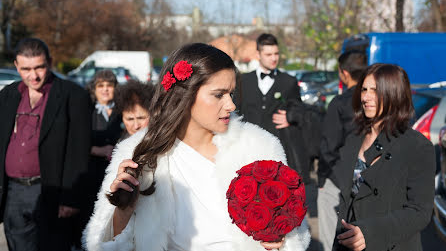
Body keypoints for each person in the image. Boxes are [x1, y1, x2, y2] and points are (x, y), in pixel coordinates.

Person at [83, 43, 311, 251]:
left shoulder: (260, 147)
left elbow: (294, 236)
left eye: (231, 93)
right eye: (219, 95)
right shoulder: (136, 153)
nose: (231, 105)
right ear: (186, 95)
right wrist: (123, 207)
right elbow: (101, 244)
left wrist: (280, 242)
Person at [0, 38, 91, 251]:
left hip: (52, 191)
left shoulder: (73, 95)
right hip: (12, 192)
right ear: (16, 66)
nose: (34, 76)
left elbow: (78, 150)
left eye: (39, 67)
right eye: (26, 69)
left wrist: (70, 198)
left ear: (49, 62)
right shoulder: (7, 95)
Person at [332, 64, 435, 251]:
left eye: (375, 90)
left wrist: (370, 232)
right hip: (347, 243)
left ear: (394, 93)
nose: (366, 97)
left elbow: (420, 212)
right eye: (364, 89)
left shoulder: (416, 146)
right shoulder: (354, 137)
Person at [234, 33, 309, 183]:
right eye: (268, 54)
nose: (274, 58)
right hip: (248, 149)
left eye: (276, 54)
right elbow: (235, 112)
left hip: (278, 149)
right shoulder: (243, 81)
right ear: (258, 54)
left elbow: (299, 109)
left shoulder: (289, 82)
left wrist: (290, 117)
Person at [317, 51, 367, 251]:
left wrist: (322, 180)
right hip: (370, 175)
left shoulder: (339, 103)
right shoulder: (376, 100)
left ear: (344, 73)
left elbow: (328, 147)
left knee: (331, 235)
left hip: (340, 176)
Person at [74, 70, 123, 248]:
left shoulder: (122, 111)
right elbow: (75, 141)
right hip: (91, 172)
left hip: (115, 173)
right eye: (100, 86)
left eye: (109, 86)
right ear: (93, 89)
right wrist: (97, 150)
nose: (105, 90)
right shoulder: (86, 111)